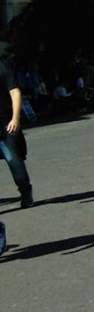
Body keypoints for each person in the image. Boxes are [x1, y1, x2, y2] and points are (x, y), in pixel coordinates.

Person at [0, 59, 33, 208]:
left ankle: (26, 192)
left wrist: (15, 118)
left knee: (13, 159)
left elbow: (14, 92)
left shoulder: (3, 67)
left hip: (6, 122)